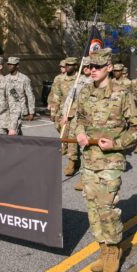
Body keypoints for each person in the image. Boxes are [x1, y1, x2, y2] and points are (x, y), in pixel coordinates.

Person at [75, 49, 137, 272]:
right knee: (92, 208)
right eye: (90, 67)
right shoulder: (84, 92)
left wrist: (115, 143)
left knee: (107, 207)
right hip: (89, 159)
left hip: (110, 160)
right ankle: (102, 249)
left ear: (109, 68)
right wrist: (80, 133)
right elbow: (80, 119)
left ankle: (113, 249)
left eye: (97, 67)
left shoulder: (123, 94)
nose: (92, 70)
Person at [62, 57, 92, 191]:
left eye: (89, 66)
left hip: (89, 118)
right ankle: (72, 162)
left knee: (84, 145)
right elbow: (70, 97)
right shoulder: (78, 80)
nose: (86, 69)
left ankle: (83, 175)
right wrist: (64, 114)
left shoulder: (96, 81)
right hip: (75, 116)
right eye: (84, 66)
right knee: (72, 142)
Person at [50, 57, 79, 170]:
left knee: (72, 136)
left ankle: (72, 161)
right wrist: (53, 112)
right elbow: (56, 96)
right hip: (64, 112)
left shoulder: (79, 79)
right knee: (63, 134)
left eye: (71, 65)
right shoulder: (60, 79)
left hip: (77, 113)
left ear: (76, 66)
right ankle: (74, 156)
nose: (68, 67)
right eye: (66, 65)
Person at [5, 56, 36, 135]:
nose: (9, 66)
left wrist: (31, 112)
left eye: (12, 64)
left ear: (17, 66)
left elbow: (30, 95)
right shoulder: (5, 78)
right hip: (7, 109)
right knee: (11, 130)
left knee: (14, 130)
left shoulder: (24, 79)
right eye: (8, 64)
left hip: (19, 109)